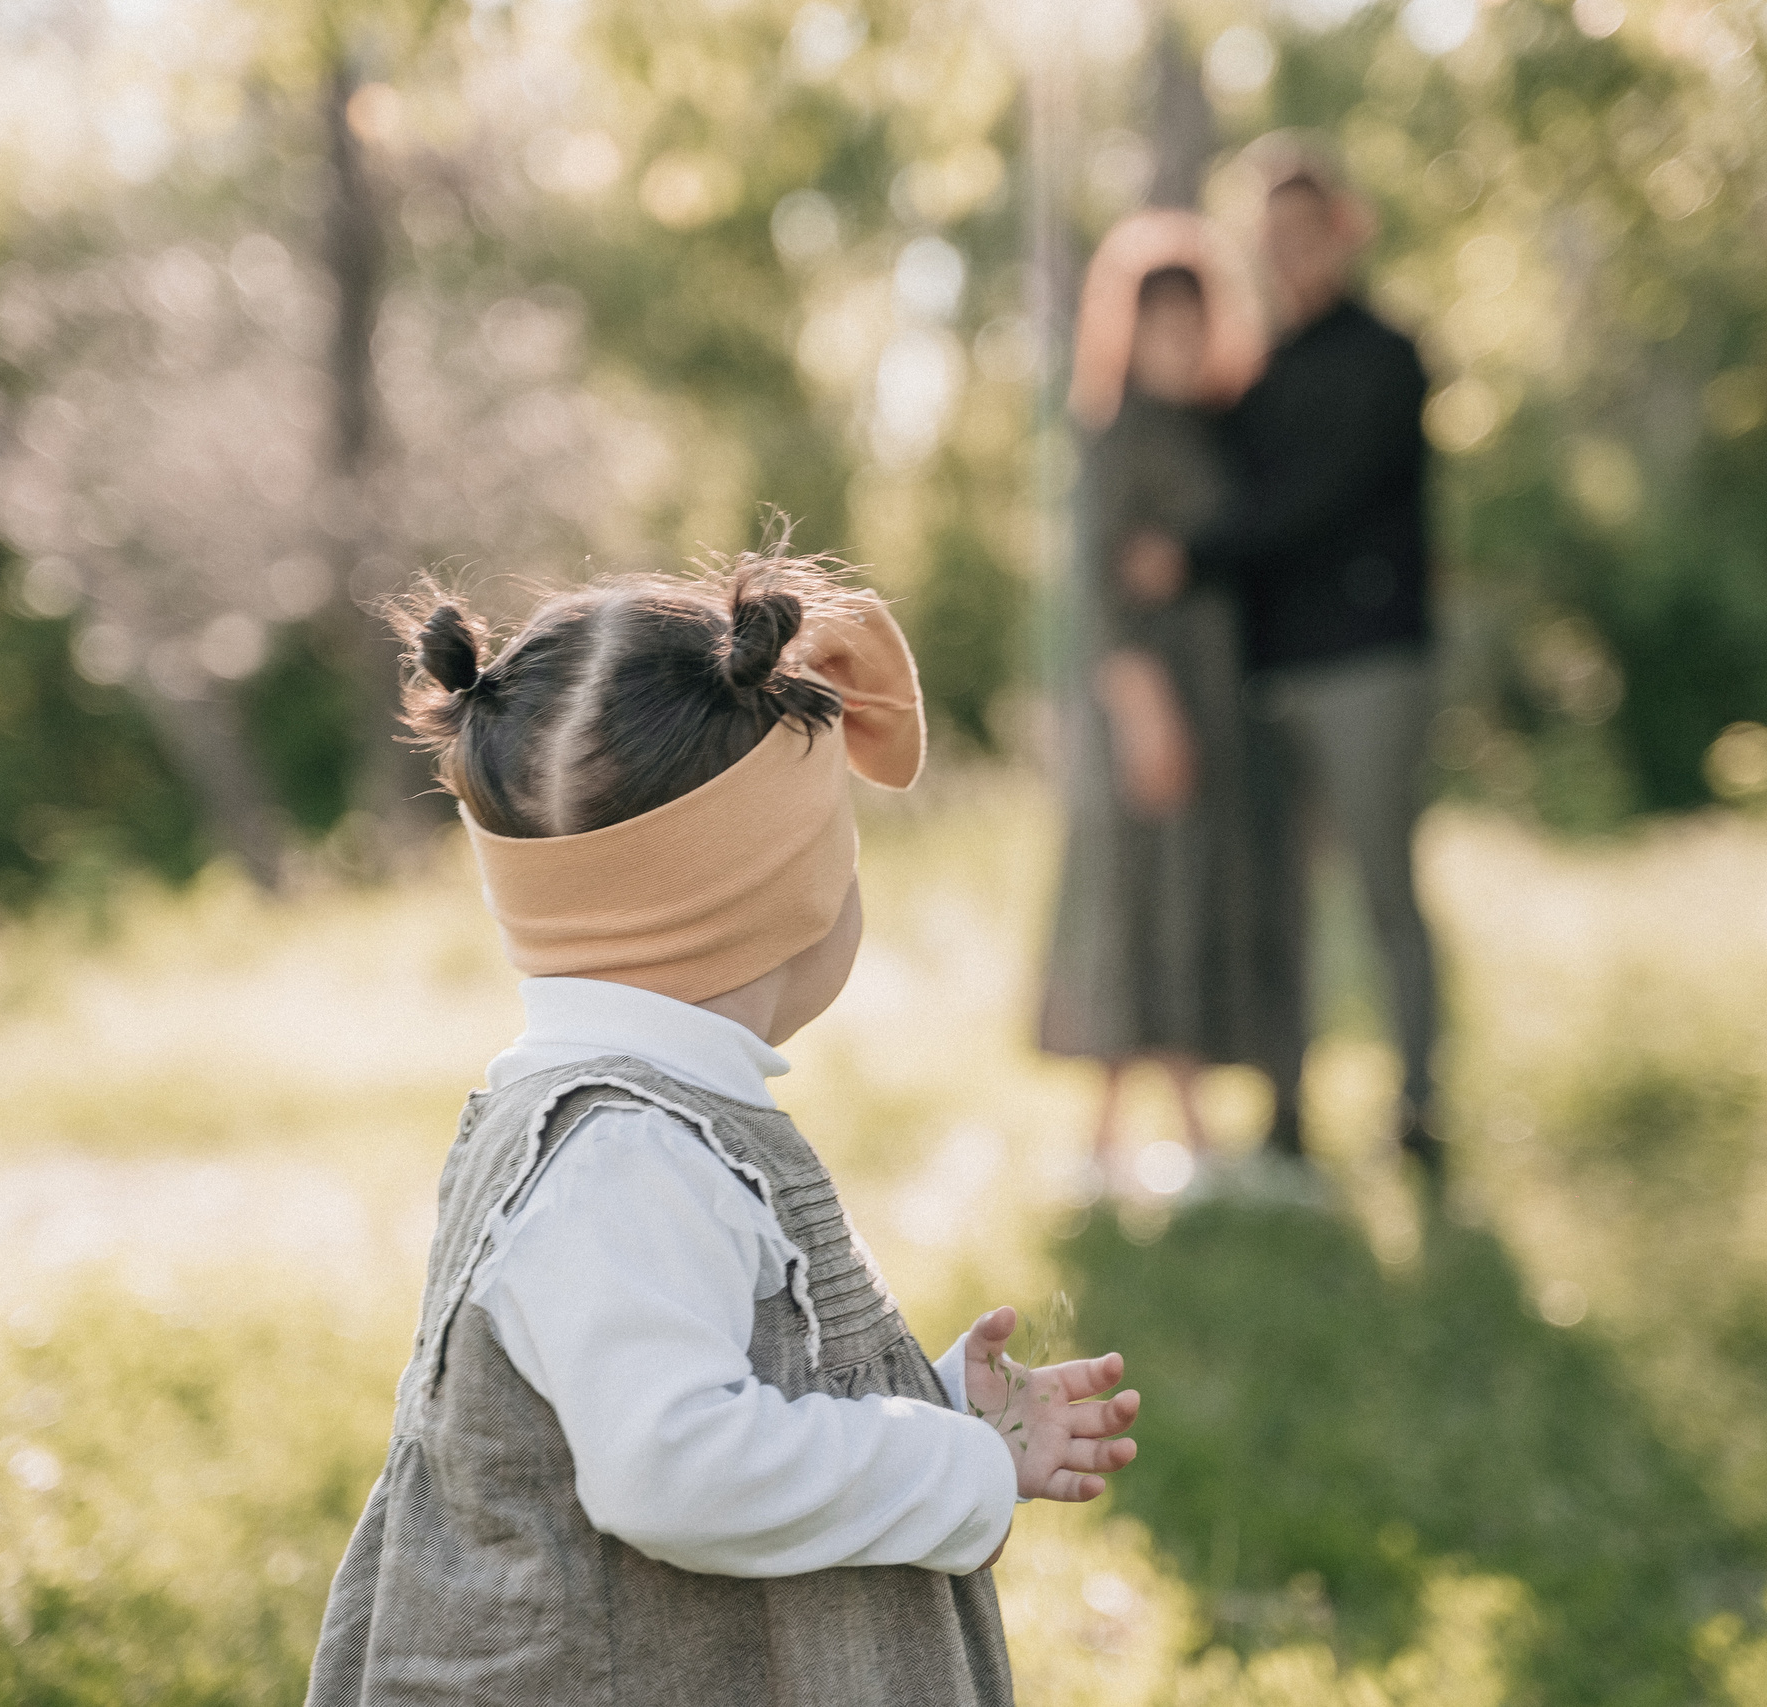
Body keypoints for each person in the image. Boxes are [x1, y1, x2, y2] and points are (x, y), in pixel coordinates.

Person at [307, 555, 1144, 1707]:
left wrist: (933, 1406)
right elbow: (672, 1469)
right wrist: (951, 1463)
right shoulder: (627, 1155)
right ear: (789, 889)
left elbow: (706, 1395)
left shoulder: (636, 1126)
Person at [1128, 146, 1444, 1177]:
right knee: (1280, 904)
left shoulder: (1387, 358)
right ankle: (1287, 1110)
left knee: (1383, 889)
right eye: (1271, 242)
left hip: (1367, 666)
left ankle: (1418, 1108)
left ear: (1344, 229)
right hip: (1265, 675)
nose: (1289, 257)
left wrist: (1193, 552)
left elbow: (1316, 496)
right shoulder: (1254, 378)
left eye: (1303, 235)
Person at [1036, 211, 1289, 1187]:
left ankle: (1163, 1137)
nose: (1176, 343)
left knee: (1183, 897)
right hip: (1145, 706)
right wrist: (1146, 712)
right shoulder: (1114, 434)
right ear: (1127, 330)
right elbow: (1100, 596)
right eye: (1159, 325)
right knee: (1137, 898)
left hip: (1212, 700)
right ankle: (1127, 1143)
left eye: (1193, 323)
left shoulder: (1213, 427)